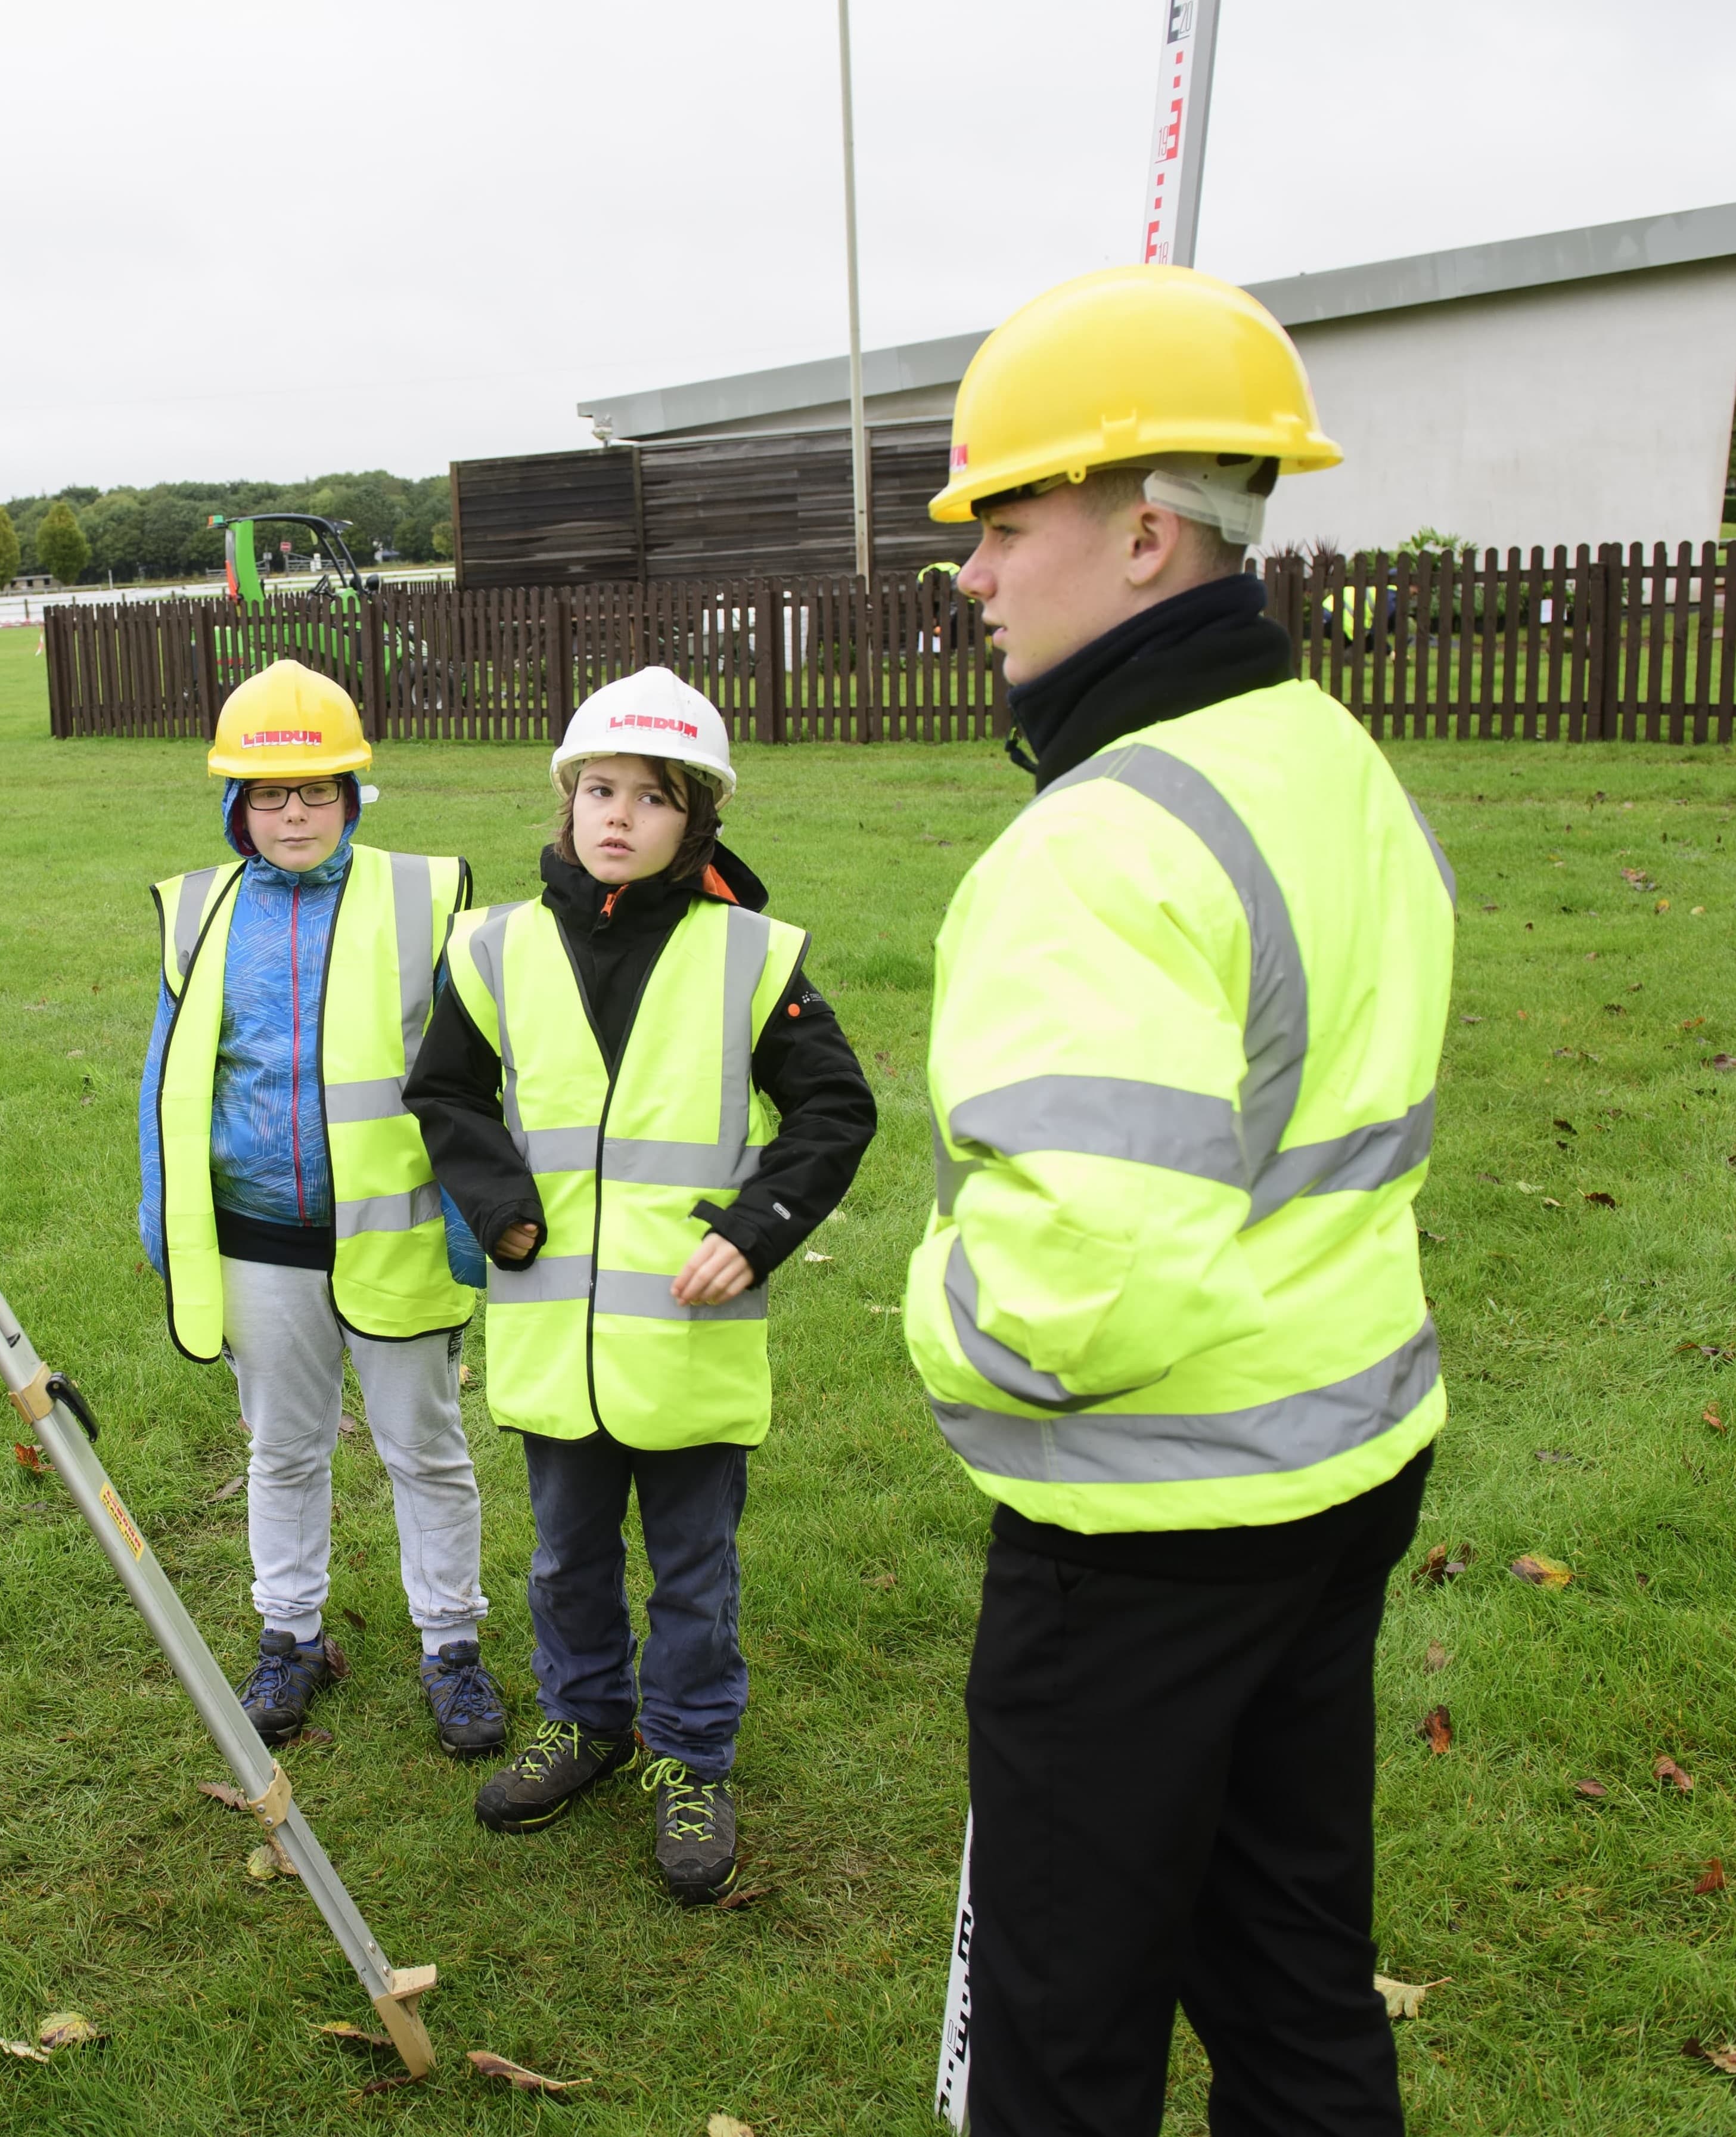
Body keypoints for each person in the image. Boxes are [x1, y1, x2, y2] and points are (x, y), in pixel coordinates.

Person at [910, 265, 1455, 2133]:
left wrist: (931, 1304)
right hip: (1343, 1463)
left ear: (1143, 538)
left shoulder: (1103, 838)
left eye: (1002, 519)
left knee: (1061, 2041)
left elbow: (1074, 1298)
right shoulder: (1329, 761)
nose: (969, 570)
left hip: (1148, 1529)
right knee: (1295, 1977)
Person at [405, 668, 877, 1903]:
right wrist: (498, 1207)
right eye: (597, 789)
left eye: (650, 798)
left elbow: (833, 1105)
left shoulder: (752, 954)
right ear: (566, 800)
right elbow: (444, 1092)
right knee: (563, 1556)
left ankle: (687, 1754)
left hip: (686, 1330)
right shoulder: (493, 945)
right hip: (553, 1331)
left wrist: (759, 1225)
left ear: (694, 819)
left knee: (690, 1567)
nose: (617, 815)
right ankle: (584, 1721)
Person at [139, 658, 504, 1755]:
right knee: (281, 1448)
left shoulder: (422, 893)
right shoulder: (197, 909)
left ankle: (452, 1645)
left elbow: (476, 1073)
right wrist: (165, 1220)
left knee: (423, 1448)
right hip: (258, 1239)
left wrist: (474, 1223)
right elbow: (168, 1078)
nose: (292, 814)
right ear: (235, 807)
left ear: (351, 796)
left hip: (394, 1234)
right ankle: (289, 1637)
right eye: (268, 795)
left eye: (314, 792)